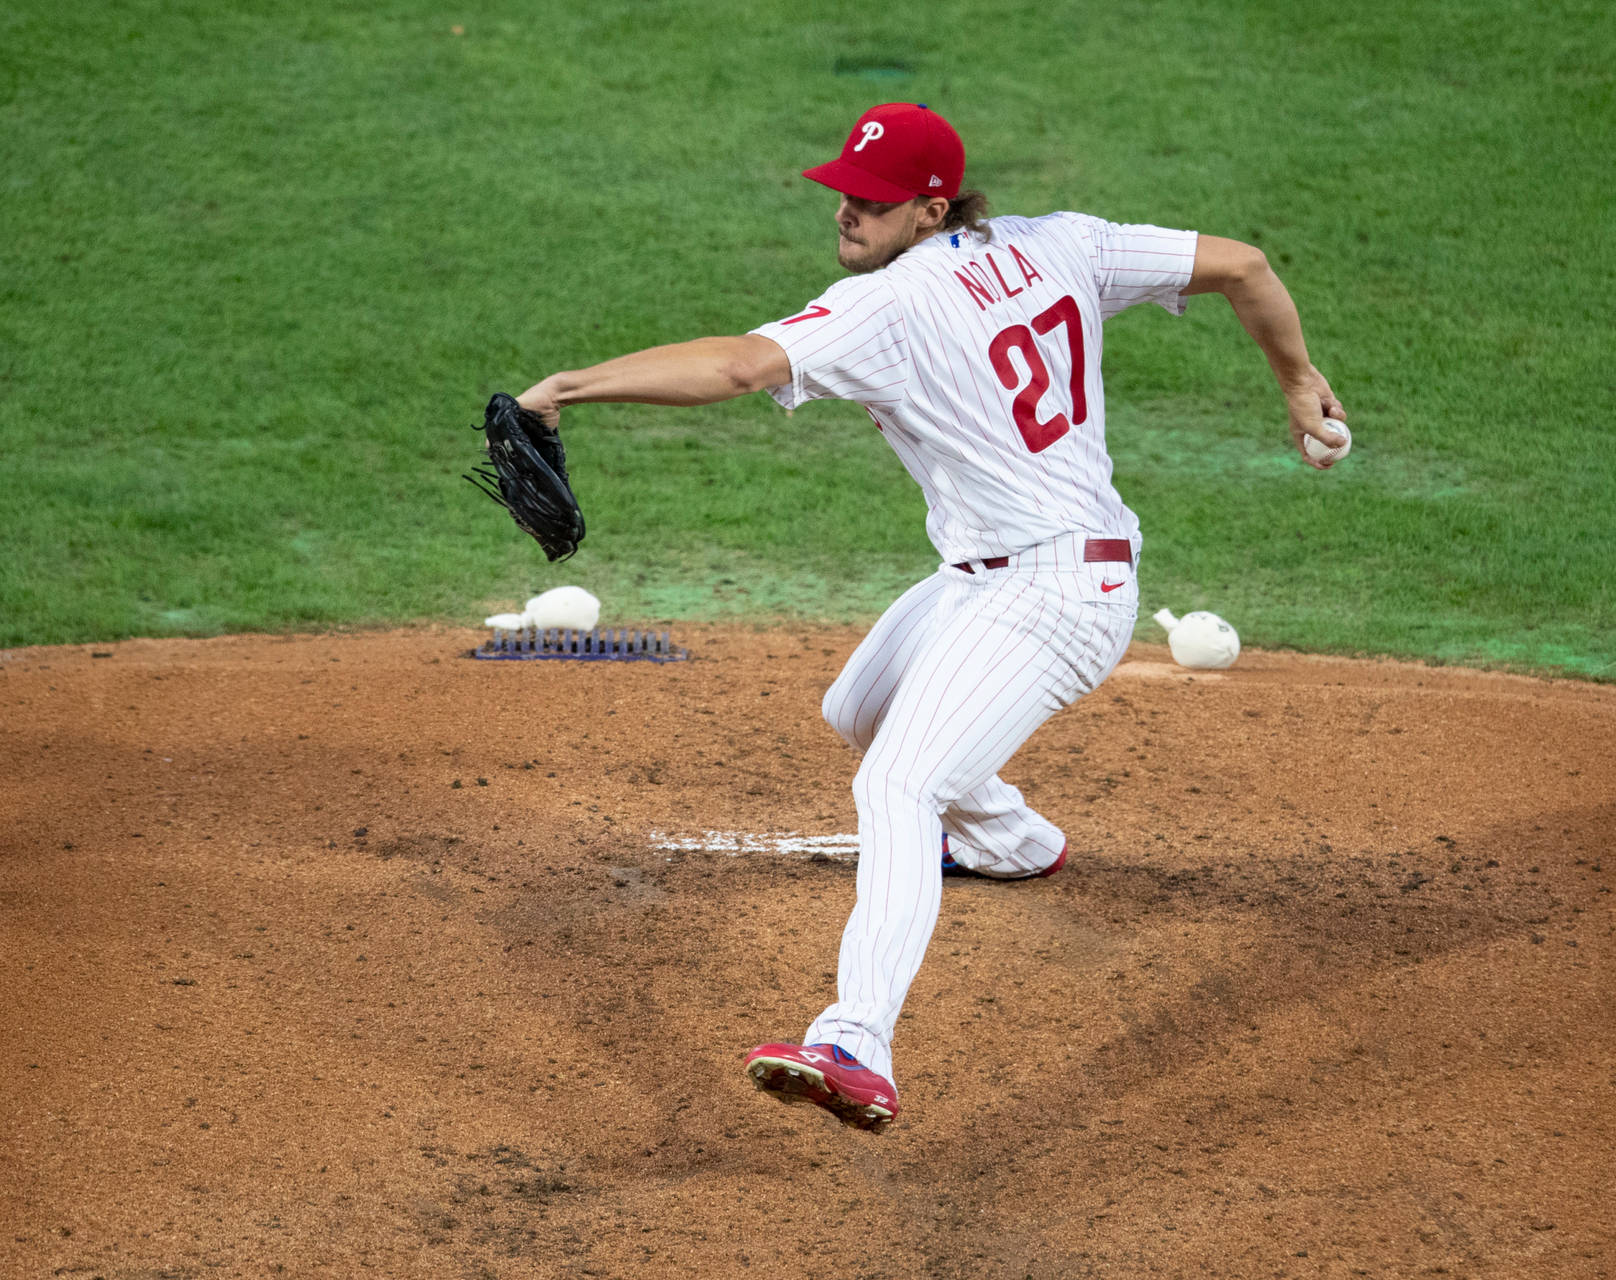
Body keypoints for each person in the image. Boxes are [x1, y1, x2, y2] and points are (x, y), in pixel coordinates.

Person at [514, 102, 1346, 1129]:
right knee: (856, 707)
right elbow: (1246, 265)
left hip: (1052, 594)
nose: (847, 212)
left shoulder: (893, 304)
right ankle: (1009, 837)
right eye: (842, 193)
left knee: (898, 782)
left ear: (931, 207)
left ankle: (856, 1039)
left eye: (872, 200)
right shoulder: (1063, 244)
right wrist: (1299, 380)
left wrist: (566, 387)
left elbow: (735, 367)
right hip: (998, 575)